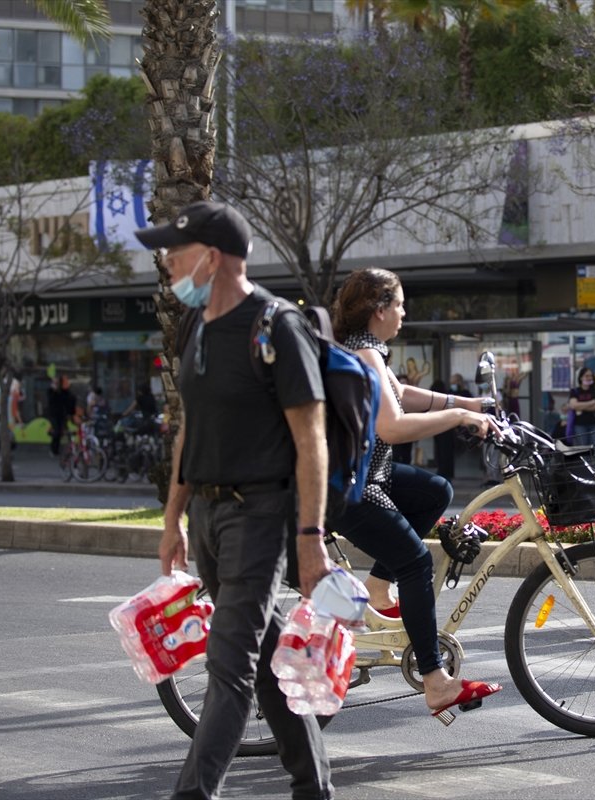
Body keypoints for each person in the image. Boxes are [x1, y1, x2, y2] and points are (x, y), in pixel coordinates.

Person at [136, 200, 335, 799]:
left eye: (177, 250)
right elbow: (189, 431)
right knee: (272, 658)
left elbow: (311, 441)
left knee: (229, 671)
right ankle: (314, 787)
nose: (167, 261)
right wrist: (172, 519)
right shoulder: (196, 329)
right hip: (208, 515)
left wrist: (310, 538)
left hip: (260, 512)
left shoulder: (276, 326)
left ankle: (192, 794)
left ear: (213, 257)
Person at [329, 267, 501, 720]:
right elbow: (392, 424)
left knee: (434, 490)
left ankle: (377, 586)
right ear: (378, 309)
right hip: (352, 485)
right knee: (418, 562)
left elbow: (400, 393)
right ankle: (435, 681)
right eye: (400, 304)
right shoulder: (363, 354)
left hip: (371, 473)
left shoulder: (369, 351)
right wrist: (459, 420)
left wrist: (465, 403)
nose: (404, 313)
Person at [565, 367, 595, 441]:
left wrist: (580, 407)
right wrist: (592, 402)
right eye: (587, 376)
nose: (589, 378)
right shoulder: (575, 391)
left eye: (591, 376)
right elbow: (573, 405)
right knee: (583, 448)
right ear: (581, 377)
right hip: (580, 425)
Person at [46, 375, 75, 456]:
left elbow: (68, 399)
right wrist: (54, 390)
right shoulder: (50, 391)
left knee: (60, 431)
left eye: (57, 383)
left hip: (61, 414)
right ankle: (53, 449)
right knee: (57, 431)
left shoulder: (63, 391)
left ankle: (57, 449)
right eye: (55, 383)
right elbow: (50, 400)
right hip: (53, 414)